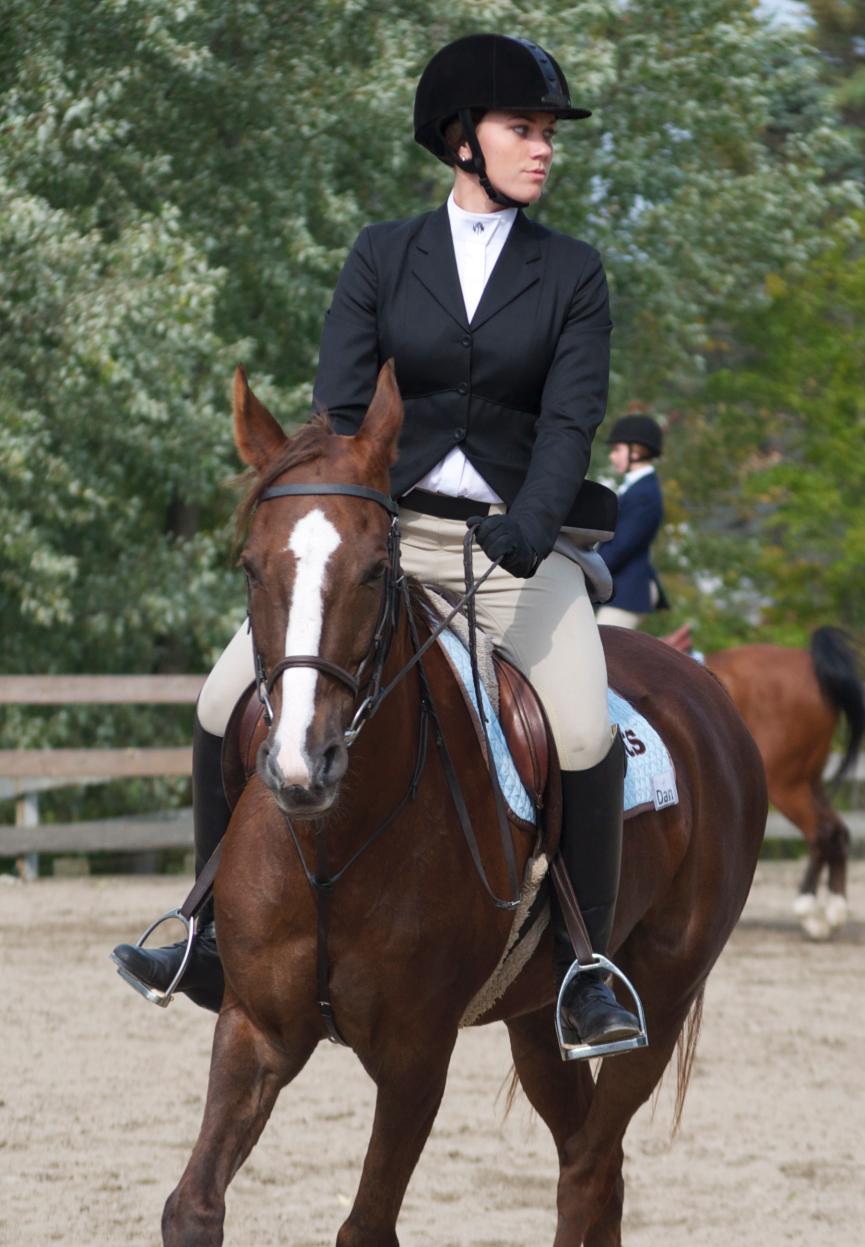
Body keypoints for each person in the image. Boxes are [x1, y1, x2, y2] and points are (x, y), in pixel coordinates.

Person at [112, 33, 642, 1050]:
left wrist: (531, 524)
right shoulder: (380, 256)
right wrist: (349, 515)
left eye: (545, 134)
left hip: (513, 550)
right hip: (377, 549)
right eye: (521, 129)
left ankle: (588, 964)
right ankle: (204, 932)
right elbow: (340, 407)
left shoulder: (573, 273)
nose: (542, 149)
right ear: (461, 142)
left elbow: (572, 420)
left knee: (580, 728)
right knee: (221, 697)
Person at [596, 413, 667, 628]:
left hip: (628, 591)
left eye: (617, 449)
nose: (612, 457)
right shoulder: (635, 488)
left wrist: (585, 568)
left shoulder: (644, 493)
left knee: (601, 651)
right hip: (620, 586)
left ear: (636, 450)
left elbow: (620, 547)